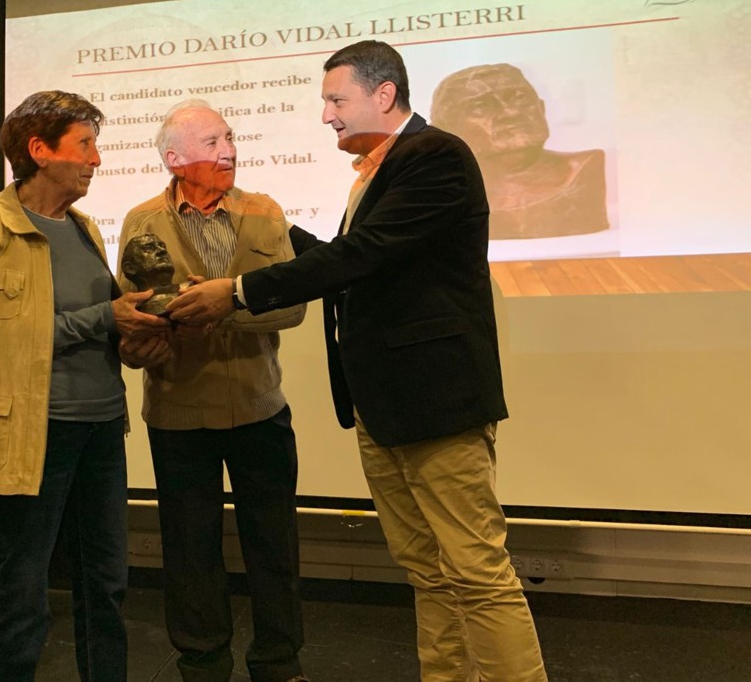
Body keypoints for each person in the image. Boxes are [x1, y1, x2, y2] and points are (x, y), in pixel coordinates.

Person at [167, 42, 548, 682]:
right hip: (385, 406)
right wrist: (271, 224)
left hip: (436, 405)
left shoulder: (435, 156)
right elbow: (360, 259)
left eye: (335, 100)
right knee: (428, 569)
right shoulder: (377, 172)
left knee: (477, 572)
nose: (326, 116)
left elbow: (362, 255)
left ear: (384, 95)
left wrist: (236, 292)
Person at [0, 90, 169, 682]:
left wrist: (137, 329)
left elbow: (102, 323)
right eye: (85, 145)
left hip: (100, 430)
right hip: (29, 439)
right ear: (39, 150)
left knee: (107, 587)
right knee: (21, 594)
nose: (96, 159)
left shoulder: (86, 228)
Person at [117, 99, 309, 682]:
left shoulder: (265, 211)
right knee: (189, 550)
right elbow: (128, 317)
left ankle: (279, 664)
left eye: (229, 137)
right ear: (174, 158)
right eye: (210, 143)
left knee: (273, 546)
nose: (227, 150)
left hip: (259, 406)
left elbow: (293, 307)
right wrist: (137, 340)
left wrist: (222, 308)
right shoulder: (140, 221)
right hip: (177, 411)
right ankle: (201, 665)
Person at [430, 62, 608, 240]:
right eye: (480, 107)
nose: (510, 112)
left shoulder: (583, 170)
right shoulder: (438, 196)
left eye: (520, 98)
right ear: (445, 132)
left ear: (541, 108)